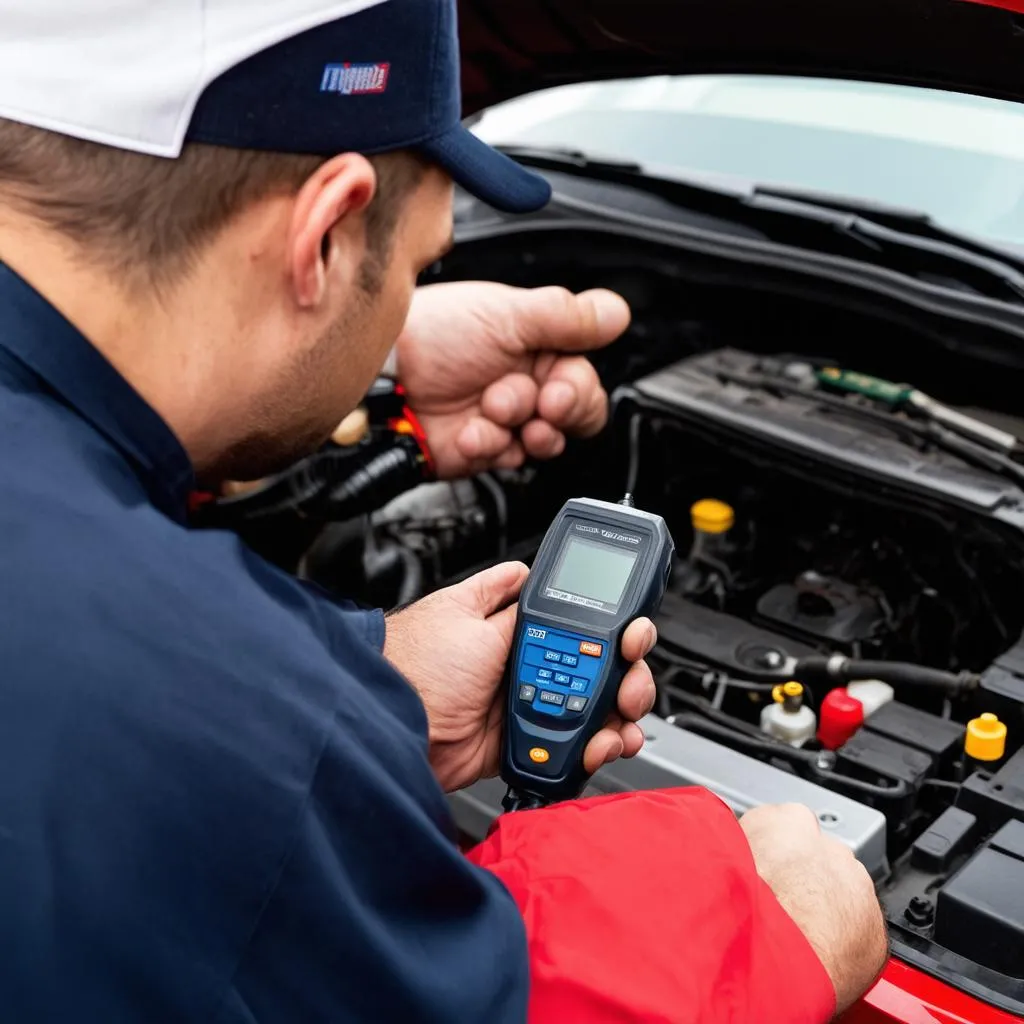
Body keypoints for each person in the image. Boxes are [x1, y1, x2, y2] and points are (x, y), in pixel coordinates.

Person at [0, 1, 887, 1021]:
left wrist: (364, 680)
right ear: (324, 232)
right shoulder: (204, 707)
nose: (408, 302)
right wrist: (767, 933)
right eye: (422, 267)